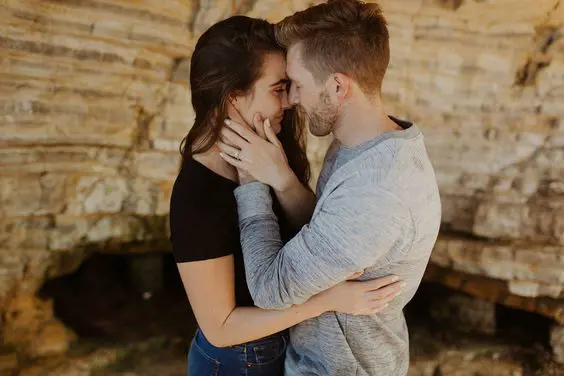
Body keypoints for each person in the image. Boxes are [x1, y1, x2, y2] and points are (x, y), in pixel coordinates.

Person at [169, 15, 403, 376]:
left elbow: (316, 230)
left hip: (286, 352)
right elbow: (220, 327)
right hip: (235, 363)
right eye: (278, 89)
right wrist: (328, 300)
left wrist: (284, 181)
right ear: (233, 97)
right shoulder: (198, 193)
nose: (292, 100)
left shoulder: (272, 149)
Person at [218, 1, 442, 375]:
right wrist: (283, 179)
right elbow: (326, 228)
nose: (291, 99)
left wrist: (253, 184)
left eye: (299, 85)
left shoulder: (376, 192)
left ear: (338, 86)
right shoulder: (366, 144)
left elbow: (270, 289)